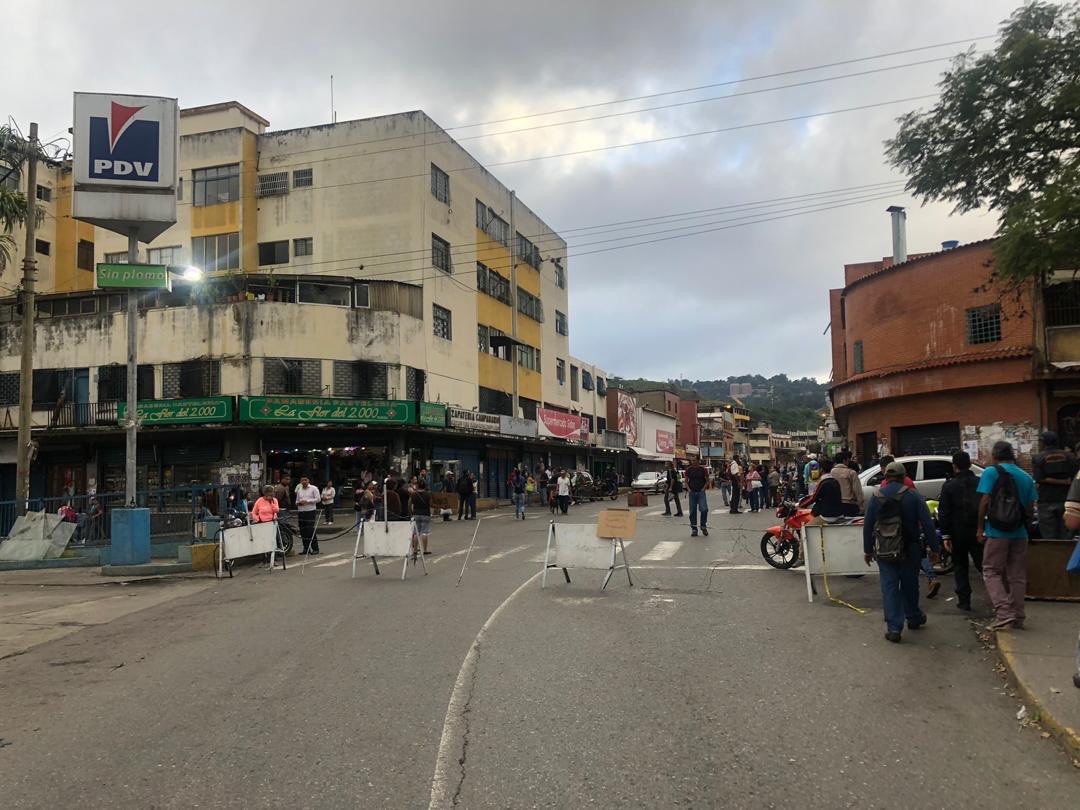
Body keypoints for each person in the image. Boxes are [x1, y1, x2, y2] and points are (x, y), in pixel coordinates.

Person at [863, 461, 940, 643]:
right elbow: (927, 524)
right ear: (904, 477)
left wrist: (867, 550)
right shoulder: (913, 496)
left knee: (889, 587)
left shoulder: (876, 496)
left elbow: (867, 526)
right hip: (910, 548)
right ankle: (913, 617)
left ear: (886, 477)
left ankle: (894, 628)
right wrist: (935, 548)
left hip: (884, 549)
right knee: (910, 584)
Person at [977, 441, 1037, 630]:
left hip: (996, 531)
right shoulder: (1026, 477)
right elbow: (1029, 508)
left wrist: (980, 528)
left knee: (991, 571)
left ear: (994, 456)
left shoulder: (991, 472)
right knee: (1017, 575)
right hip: (1019, 532)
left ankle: (1004, 612)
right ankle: (1018, 615)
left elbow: (985, 501)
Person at [937, 450, 983, 611]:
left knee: (960, 566)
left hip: (957, 532)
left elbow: (943, 512)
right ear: (970, 464)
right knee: (983, 565)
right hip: (978, 530)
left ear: (954, 466)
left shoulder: (949, 486)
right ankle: (998, 596)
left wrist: (945, 535)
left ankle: (964, 600)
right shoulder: (980, 483)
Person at [1032, 430, 1078, 540]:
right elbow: (1075, 478)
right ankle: (1066, 557)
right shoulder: (1070, 456)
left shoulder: (1038, 458)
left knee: (1049, 538)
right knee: (1066, 537)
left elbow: (1038, 478)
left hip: (1046, 501)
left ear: (1043, 442)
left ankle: (1052, 556)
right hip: (1066, 500)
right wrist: (1063, 482)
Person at [832, 450, 865, 517]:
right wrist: (861, 506)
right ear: (844, 461)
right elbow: (857, 490)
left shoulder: (831, 472)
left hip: (835, 504)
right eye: (848, 460)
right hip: (849, 504)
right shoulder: (851, 473)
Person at [294, 476, 321, 554]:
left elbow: (318, 499)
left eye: (305, 480)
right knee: (303, 531)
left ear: (308, 481)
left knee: (310, 530)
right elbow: (296, 501)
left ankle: (315, 548)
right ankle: (306, 548)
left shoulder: (314, 488)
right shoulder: (299, 490)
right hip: (301, 511)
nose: (304, 482)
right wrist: (299, 503)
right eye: (302, 480)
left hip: (310, 511)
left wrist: (308, 501)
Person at [685, 457, 709, 537]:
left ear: (698, 461)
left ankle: (703, 525)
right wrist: (688, 489)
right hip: (692, 492)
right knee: (692, 511)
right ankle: (694, 529)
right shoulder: (688, 470)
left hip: (700, 492)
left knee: (704, 509)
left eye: (694, 460)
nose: (693, 462)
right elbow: (686, 481)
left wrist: (703, 489)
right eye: (692, 460)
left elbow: (707, 480)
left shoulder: (703, 470)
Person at [410, 479, 432, 555]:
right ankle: (425, 550)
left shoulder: (413, 494)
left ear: (417, 485)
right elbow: (431, 504)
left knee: (416, 532)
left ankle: (415, 550)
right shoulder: (428, 494)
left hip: (416, 514)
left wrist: (411, 513)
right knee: (424, 532)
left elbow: (409, 504)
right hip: (426, 514)